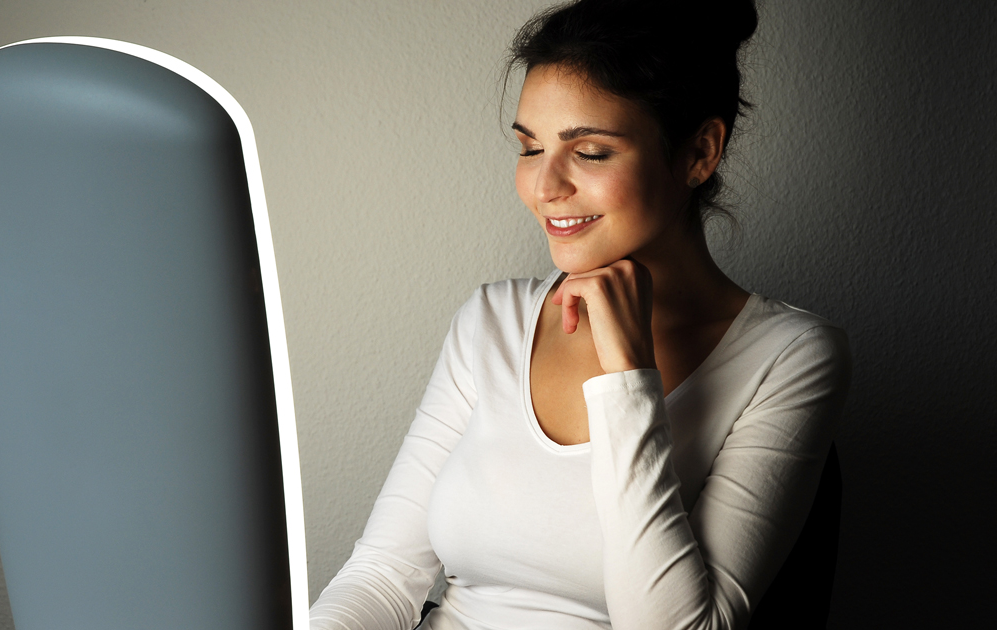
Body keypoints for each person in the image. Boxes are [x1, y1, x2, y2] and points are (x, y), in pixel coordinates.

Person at [308, 1, 852, 628]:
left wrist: (627, 378)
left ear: (699, 153)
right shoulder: (492, 319)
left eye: (590, 151)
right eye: (530, 148)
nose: (544, 187)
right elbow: (380, 576)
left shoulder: (789, 357)